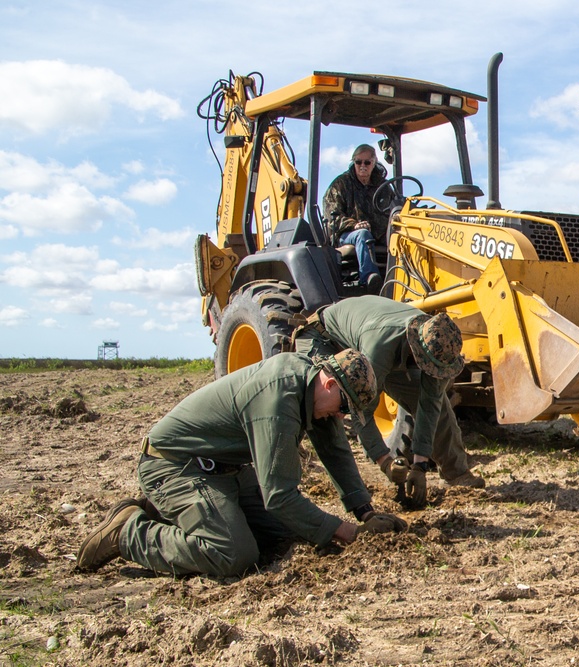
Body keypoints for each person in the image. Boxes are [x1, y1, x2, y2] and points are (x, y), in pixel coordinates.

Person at [75, 349, 407, 577]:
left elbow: (335, 449)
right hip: (175, 466)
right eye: (343, 407)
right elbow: (279, 496)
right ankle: (130, 532)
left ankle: (179, 512)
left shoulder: (311, 383)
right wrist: (346, 530)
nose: (340, 415)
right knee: (234, 554)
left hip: (222, 471)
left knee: (295, 532)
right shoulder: (279, 398)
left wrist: (364, 511)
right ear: (331, 383)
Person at [293, 296, 486, 505]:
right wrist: (385, 461)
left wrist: (419, 466)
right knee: (327, 411)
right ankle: (345, 498)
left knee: (438, 404)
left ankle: (456, 474)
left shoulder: (436, 343)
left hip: (381, 351)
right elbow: (361, 410)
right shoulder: (381, 345)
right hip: (325, 340)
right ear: (417, 350)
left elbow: (430, 405)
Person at [323, 144, 389, 295]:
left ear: (374, 162)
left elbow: (392, 208)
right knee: (363, 235)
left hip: (378, 235)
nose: (362, 166)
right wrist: (354, 225)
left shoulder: (383, 186)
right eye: (358, 162)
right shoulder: (341, 184)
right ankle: (369, 280)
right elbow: (332, 216)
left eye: (367, 162)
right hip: (347, 235)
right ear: (353, 162)